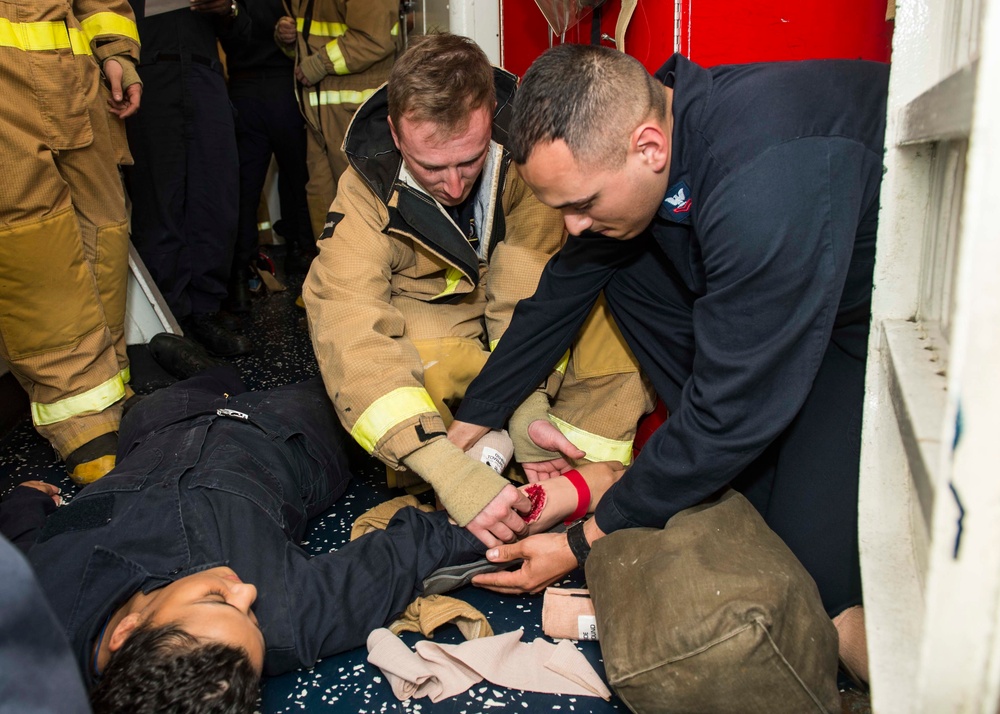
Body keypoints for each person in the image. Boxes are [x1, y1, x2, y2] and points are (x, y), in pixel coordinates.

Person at [448, 45, 888, 681]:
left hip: (861, 321)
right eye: (559, 208)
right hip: (782, 302)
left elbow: (726, 414)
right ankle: (712, 468)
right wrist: (472, 421)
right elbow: (557, 298)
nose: (570, 225)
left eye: (583, 202)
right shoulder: (664, 137)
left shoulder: (762, 184)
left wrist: (582, 541)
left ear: (649, 147)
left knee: (814, 581)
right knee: (609, 262)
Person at [302, 34, 654, 548]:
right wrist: (448, 470)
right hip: (442, 332)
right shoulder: (364, 194)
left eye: (468, 161)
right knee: (416, 361)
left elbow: (528, 292)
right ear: (398, 136)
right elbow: (348, 326)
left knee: (611, 331)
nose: (452, 184)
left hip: (522, 335)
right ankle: (464, 474)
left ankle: (576, 482)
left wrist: (526, 409)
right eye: (432, 168)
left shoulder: (530, 149)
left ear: (491, 114)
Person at [0, 368, 491, 712]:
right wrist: (497, 511)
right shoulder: (290, 620)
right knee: (344, 385)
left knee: (185, 391)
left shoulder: (41, 605)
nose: (247, 591)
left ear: (127, 631)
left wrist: (23, 500)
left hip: (158, 427)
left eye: (217, 599)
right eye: (250, 617)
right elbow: (413, 549)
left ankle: (212, 373)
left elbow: (30, 544)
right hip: (284, 433)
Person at [0, 0, 141, 485]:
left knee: (105, 229)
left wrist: (116, 53)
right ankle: (81, 421)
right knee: (33, 243)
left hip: (75, 73)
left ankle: (112, 391)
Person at [124, 0, 253, 357]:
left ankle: (205, 312)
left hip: (205, 75)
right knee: (159, 201)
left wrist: (228, 7)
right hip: (148, 77)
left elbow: (244, 35)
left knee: (216, 198)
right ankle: (170, 321)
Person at [276, 0, 402, 240]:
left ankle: (365, 274)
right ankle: (334, 271)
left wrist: (318, 63)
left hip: (358, 114)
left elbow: (374, 39)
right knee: (323, 200)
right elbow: (314, 39)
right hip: (319, 114)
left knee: (365, 203)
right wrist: (288, 38)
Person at [222, 0, 316, 311]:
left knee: (245, 186)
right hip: (282, 85)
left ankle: (241, 273)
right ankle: (301, 252)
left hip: (244, 87)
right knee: (299, 176)